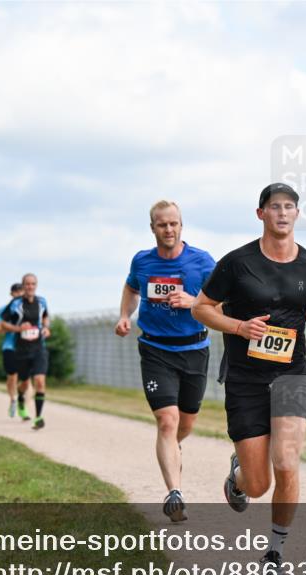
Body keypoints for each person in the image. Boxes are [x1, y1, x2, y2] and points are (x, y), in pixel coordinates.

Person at [192, 183, 306, 575]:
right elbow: (201, 309)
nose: (283, 213)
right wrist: (239, 327)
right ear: (261, 214)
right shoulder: (237, 264)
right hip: (245, 379)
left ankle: (275, 552)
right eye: (275, 207)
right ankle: (238, 475)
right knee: (257, 484)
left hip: (292, 375)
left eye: (290, 207)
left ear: (297, 214)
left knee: (287, 461)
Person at [115, 200, 216, 523]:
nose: (168, 230)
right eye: (162, 225)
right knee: (167, 421)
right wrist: (124, 316)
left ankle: (170, 449)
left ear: (181, 226)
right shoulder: (142, 261)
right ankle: (175, 493)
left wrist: (194, 301)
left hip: (194, 349)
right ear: (153, 228)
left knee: (185, 424)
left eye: (174, 224)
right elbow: (131, 288)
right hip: (155, 350)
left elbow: (222, 301)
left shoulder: (201, 262)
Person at [0, 273, 50, 430]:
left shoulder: (42, 302)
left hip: (38, 348)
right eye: (27, 284)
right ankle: (20, 399)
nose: (30, 287)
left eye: (33, 284)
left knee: (40, 381)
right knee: (25, 382)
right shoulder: (15, 304)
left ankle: (39, 417)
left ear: (36, 285)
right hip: (21, 349)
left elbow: (45, 317)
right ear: (23, 286)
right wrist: (18, 328)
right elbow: (2, 323)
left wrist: (46, 328)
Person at [0, 283, 25, 418]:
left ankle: (22, 406)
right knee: (12, 376)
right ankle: (13, 399)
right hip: (10, 346)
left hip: (26, 347)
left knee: (25, 379)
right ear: (11, 294)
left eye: (21, 292)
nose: (19, 295)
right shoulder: (5, 310)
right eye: (16, 292)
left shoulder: (30, 309)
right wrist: (14, 328)